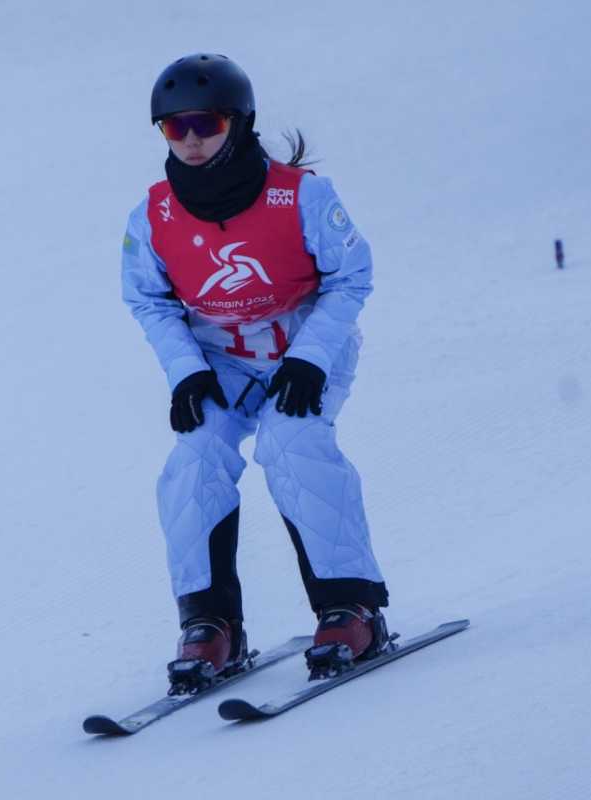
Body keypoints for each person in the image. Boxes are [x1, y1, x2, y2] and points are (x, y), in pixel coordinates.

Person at [120, 53, 390, 690]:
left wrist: (310, 356)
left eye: (204, 123)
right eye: (172, 127)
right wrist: (185, 370)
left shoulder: (302, 196)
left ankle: (351, 609)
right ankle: (211, 625)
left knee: (291, 444)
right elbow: (147, 299)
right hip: (220, 360)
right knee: (195, 458)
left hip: (301, 349)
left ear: (238, 123)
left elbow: (352, 278)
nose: (189, 139)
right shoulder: (152, 216)